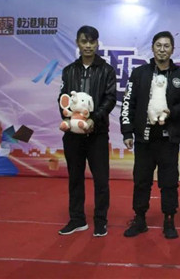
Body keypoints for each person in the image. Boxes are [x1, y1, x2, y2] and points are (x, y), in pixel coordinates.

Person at [120, 31, 180, 239]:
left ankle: (169, 219)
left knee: (169, 182)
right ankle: (140, 218)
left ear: (173, 49)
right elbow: (128, 102)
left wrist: (171, 112)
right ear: (152, 48)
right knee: (141, 180)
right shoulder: (140, 73)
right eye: (158, 45)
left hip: (169, 138)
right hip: (144, 138)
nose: (162, 49)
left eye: (166, 46)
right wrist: (127, 131)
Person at [58, 25, 116, 237]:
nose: (88, 46)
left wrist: (93, 119)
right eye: (84, 41)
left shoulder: (107, 70)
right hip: (73, 135)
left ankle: (100, 220)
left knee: (101, 179)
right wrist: (69, 118)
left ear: (97, 43)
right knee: (75, 178)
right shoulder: (69, 71)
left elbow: (110, 99)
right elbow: (62, 99)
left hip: (97, 133)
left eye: (92, 41)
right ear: (78, 43)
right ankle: (77, 219)